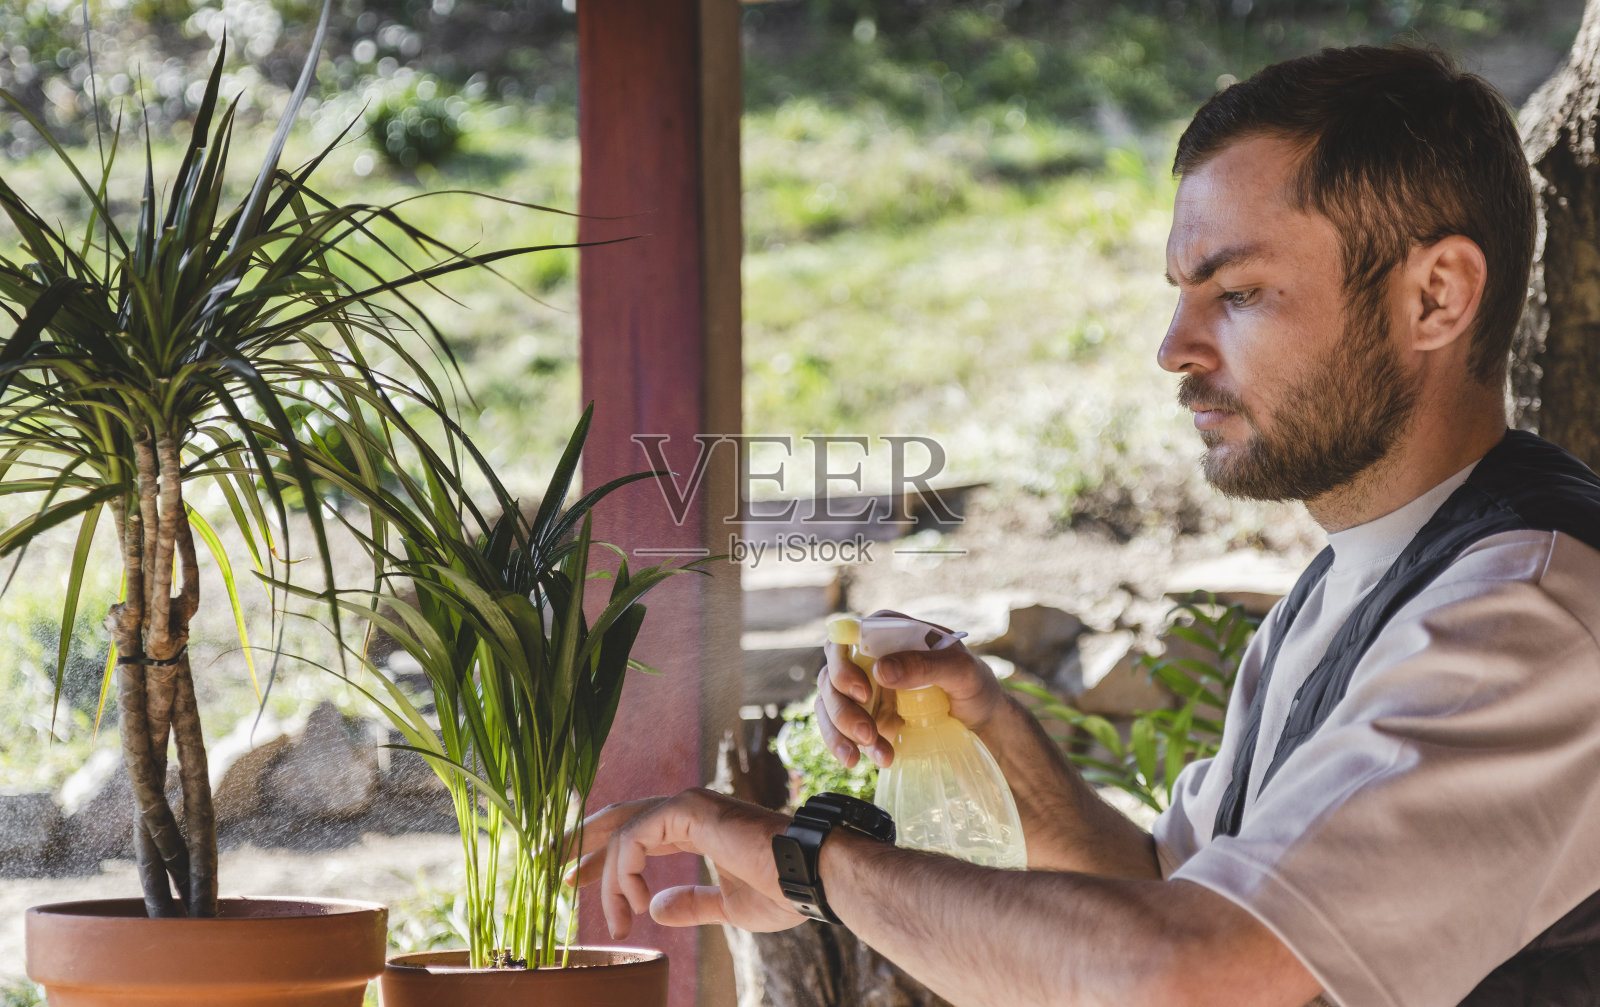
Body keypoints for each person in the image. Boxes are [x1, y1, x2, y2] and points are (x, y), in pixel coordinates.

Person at [572, 44, 1600, 1006]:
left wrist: (811, 860)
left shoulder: (1527, 619)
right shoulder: (1354, 581)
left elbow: (1186, 972)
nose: (1174, 346)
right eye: (1182, 292)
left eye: (1240, 291)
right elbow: (1169, 884)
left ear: (1436, 296)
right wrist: (995, 738)